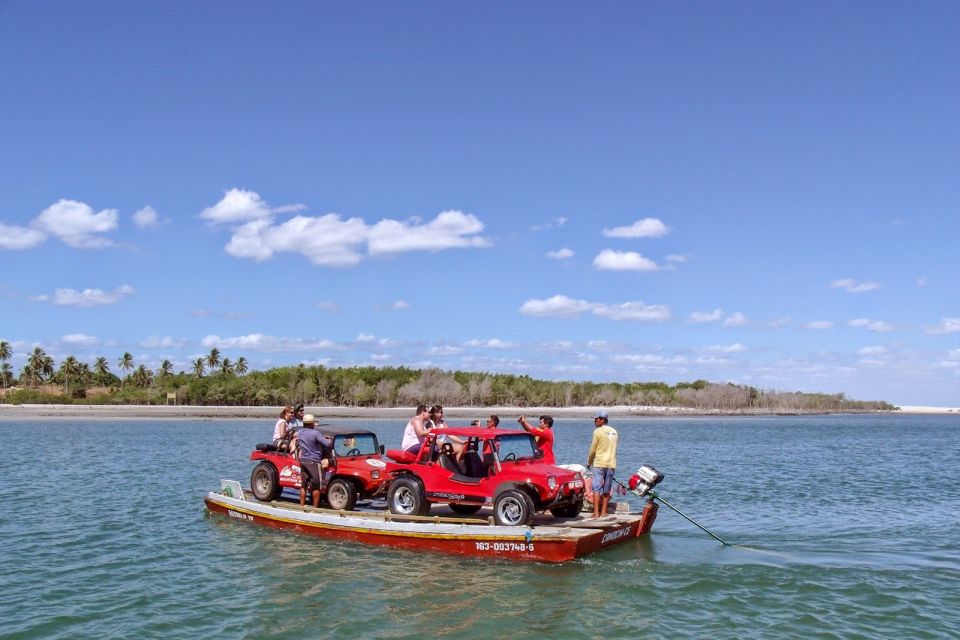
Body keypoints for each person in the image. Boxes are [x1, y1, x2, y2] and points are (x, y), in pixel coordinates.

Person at [587, 410, 618, 518]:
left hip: (599, 463)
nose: (595, 421)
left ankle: (595, 513)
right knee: (607, 488)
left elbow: (592, 449)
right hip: (611, 464)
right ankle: (604, 512)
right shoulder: (614, 432)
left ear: (602, 420)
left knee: (596, 488)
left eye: (596, 419)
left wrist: (589, 462)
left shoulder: (597, 431)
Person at [297, 414, 332, 508]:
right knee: (316, 487)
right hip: (314, 461)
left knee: (303, 485)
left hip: (303, 460)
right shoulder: (315, 433)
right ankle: (315, 508)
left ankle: (301, 506)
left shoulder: (299, 433)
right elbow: (327, 444)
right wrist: (330, 439)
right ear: (312, 424)